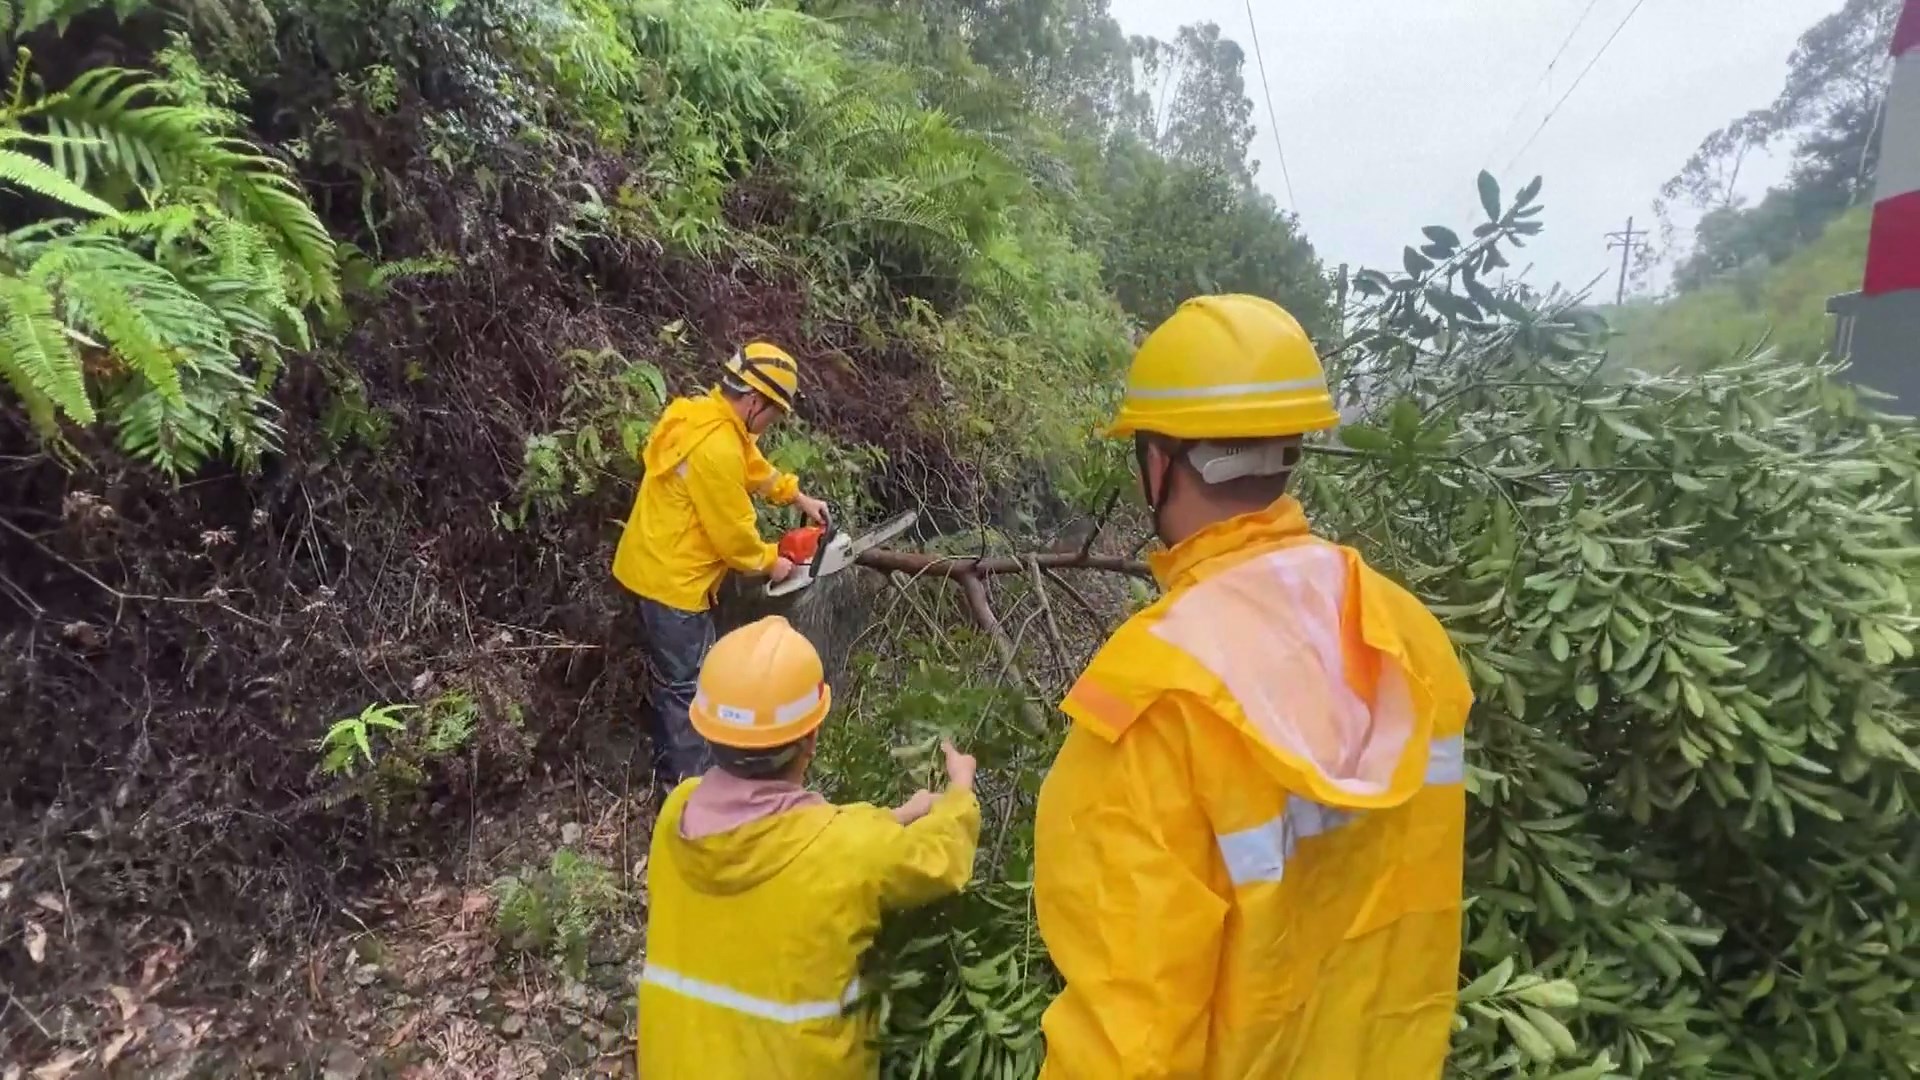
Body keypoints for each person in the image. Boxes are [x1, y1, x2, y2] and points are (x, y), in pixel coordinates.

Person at [1032, 295, 1474, 1078]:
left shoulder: (1153, 696)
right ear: (1291, 449)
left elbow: (1129, 1040)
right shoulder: (1408, 638)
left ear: (1159, 464)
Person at [638, 615, 981, 1078]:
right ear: (811, 739)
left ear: (709, 730)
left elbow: (802, 835)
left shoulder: (676, 815)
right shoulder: (848, 850)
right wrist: (959, 796)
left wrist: (894, 816)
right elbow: (940, 863)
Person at [612, 342, 831, 785]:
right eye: (775, 414)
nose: (772, 424)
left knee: (681, 679)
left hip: (655, 563)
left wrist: (796, 495)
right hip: (673, 584)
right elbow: (735, 540)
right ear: (754, 400)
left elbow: (754, 467)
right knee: (685, 689)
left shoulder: (706, 416)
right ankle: (688, 789)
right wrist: (773, 560)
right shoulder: (716, 448)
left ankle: (676, 767)